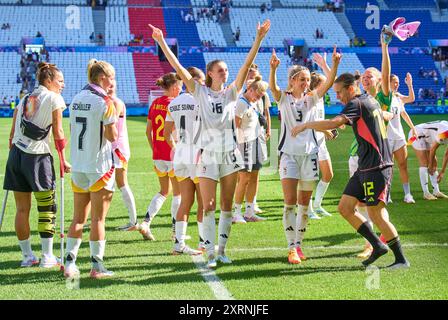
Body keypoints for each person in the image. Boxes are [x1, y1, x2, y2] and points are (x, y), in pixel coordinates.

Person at [148, 20, 271, 268]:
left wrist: (258, 39)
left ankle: (221, 250)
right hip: (207, 155)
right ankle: (210, 251)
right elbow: (179, 68)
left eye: (226, 70)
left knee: (226, 205)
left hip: (229, 154)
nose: (225, 72)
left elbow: (247, 64)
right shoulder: (199, 91)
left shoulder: (232, 92)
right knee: (209, 204)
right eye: (220, 70)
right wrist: (161, 41)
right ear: (210, 73)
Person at [292, 73, 410, 269]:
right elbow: (380, 115)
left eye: (339, 92)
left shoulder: (356, 103)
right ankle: (377, 246)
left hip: (376, 166)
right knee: (345, 207)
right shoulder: (367, 100)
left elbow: (333, 123)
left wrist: (306, 125)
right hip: (365, 166)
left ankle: (401, 259)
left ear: (350, 88)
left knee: (377, 213)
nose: (337, 97)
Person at [269, 46, 341, 264]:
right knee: (290, 202)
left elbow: (328, 84)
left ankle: (299, 244)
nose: (306, 83)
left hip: (310, 155)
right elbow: (272, 88)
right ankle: (291, 247)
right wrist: (273, 70)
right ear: (292, 81)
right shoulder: (283, 98)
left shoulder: (311, 98)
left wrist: (335, 65)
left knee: (303, 204)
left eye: (308, 79)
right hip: (289, 156)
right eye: (302, 79)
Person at [4, 62, 70, 268]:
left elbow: (12, 134)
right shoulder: (54, 98)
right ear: (48, 81)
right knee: (46, 207)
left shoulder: (25, 98)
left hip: (16, 156)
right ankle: (47, 256)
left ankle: (27, 256)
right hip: (37, 157)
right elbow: (59, 133)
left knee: (21, 209)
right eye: (60, 81)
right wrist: (63, 159)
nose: (63, 85)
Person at [64, 59, 118, 278]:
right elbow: (112, 136)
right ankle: (97, 267)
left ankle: (69, 263)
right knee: (98, 219)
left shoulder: (76, 98)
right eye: (112, 77)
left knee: (78, 218)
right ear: (103, 78)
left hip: (78, 164)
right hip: (99, 167)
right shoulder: (106, 101)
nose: (113, 81)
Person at [163, 67, 206, 255]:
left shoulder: (173, 103)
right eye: (202, 81)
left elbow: (166, 134)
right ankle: (204, 242)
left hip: (180, 153)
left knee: (185, 201)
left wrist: (177, 149)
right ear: (194, 80)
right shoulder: (201, 100)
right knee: (204, 201)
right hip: (197, 153)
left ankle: (179, 244)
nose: (204, 84)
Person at [138, 73, 183, 241]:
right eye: (180, 87)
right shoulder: (175, 105)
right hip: (172, 154)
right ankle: (175, 231)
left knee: (164, 191)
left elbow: (147, 131)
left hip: (158, 155)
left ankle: (146, 223)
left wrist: (154, 149)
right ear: (174, 87)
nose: (181, 89)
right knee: (178, 194)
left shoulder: (155, 103)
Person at [233, 64, 271, 223]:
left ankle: (249, 211)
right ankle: (235, 212)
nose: (259, 97)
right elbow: (235, 126)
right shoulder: (241, 102)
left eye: (262, 95)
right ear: (251, 89)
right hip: (244, 144)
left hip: (256, 142)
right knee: (243, 178)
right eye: (258, 94)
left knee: (254, 176)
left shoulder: (254, 102)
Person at [306, 52, 337, 219]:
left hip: (320, 141)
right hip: (310, 142)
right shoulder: (310, 97)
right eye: (324, 85)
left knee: (328, 174)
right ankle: (308, 209)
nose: (327, 88)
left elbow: (319, 119)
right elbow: (310, 123)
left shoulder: (319, 99)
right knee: (310, 177)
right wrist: (325, 130)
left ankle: (317, 205)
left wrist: (330, 127)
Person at [107, 80, 138, 231]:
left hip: (117, 149)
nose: (110, 85)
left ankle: (134, 221)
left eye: (113, 83)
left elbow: (111, 128)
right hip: (112, 148)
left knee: (122, 183)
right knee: (106, 185)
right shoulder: (108, 101)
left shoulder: (116, 102)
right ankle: (97, 218)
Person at [389, 73, 418, 203]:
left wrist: (413, 128)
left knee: (403, 165)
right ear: (387, 82)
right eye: (394, 82)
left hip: (399, 137)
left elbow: (410, 101)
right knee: (388, 168)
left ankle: (407, 194)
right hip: (386, 138)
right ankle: (387, 195)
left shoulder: (397, 97)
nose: (397, 84)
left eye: (398, 82)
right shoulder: (381, 97)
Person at [408, 120, 448, 199]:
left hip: (426, 137)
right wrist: (430, 165)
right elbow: (433, 149)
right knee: (424, 163)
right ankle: (426, 193)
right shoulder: (445, 133)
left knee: (434, 163)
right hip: (416, 133)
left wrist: (442, 171)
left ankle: (436, 191)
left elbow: (447, 154)